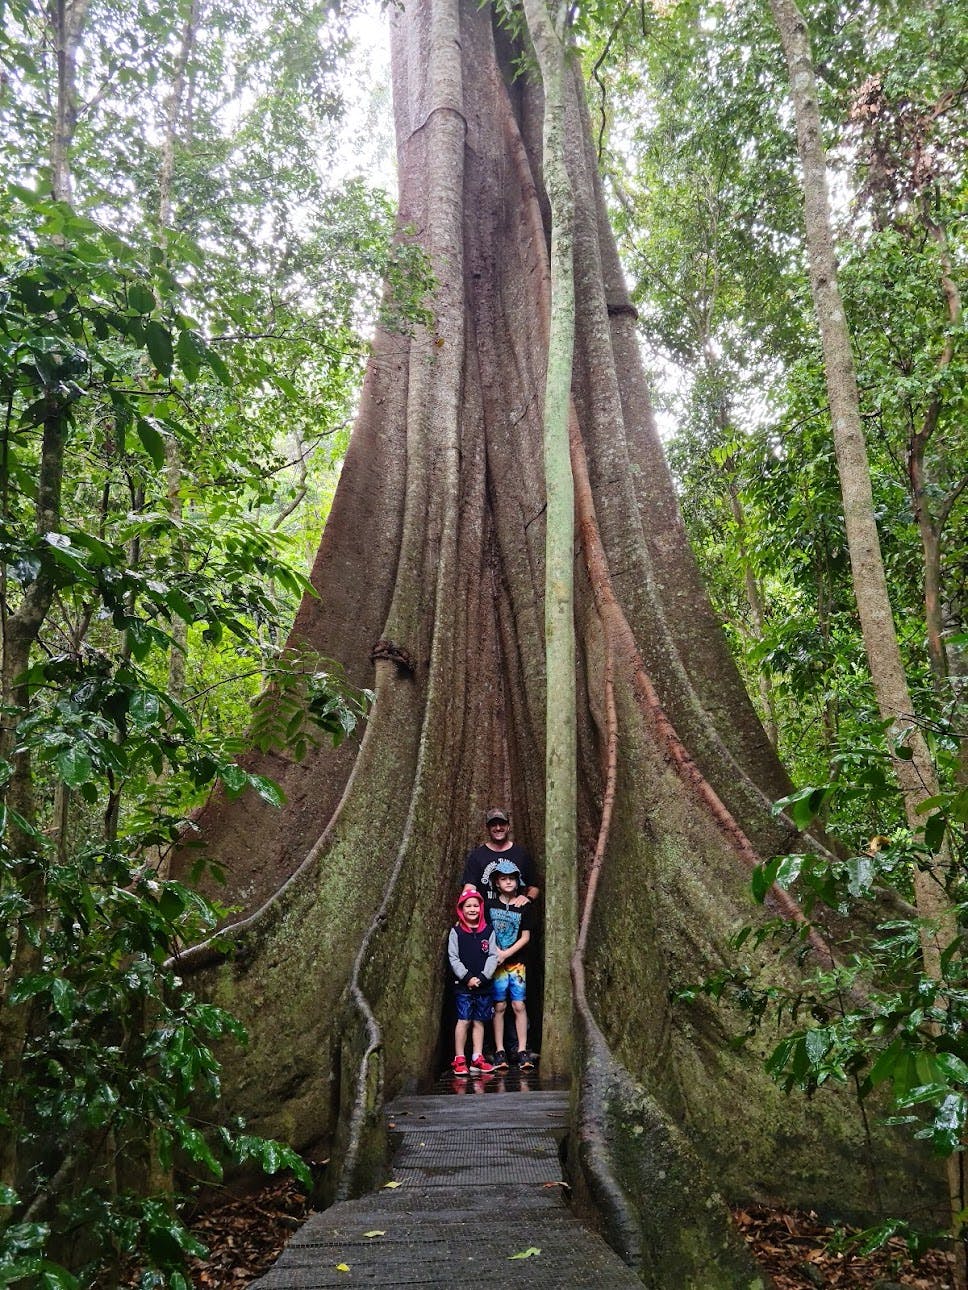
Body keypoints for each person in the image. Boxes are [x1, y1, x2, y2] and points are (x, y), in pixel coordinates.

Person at [485, 858, 536, 1070]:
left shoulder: (523, 907)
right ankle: (499, 1051)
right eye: (503, 879)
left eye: (511, 879)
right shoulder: (490, 905)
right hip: (495, 964)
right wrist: (496, 953)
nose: (508, 882)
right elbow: (485, 932)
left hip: (517, 964)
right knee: (499, 1006)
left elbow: (525, 937)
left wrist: (506, 953)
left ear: (518, 881)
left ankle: (522, 1050)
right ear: (496, 883)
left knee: (519, 1005)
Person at [448, 889, 497, 1076]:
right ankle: (459, 1058)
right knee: (464, 1020)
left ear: (481, 907)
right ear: (461, 909)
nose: (472, 909)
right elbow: (453, 957)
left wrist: (484, 977)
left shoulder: (488, 930)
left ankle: (477, 1057)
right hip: (463, 985)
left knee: (479, 1021)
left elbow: (493, 955)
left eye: (476, 905)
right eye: (468, 906)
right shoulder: (457, 931)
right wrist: (467, 977)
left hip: (484, 984)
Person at [462, 807, 539, 906]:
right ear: (488, 828)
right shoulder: (477, 856)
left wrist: (528, 898)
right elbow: (469, 888)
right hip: (486, 918)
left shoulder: (521, 854)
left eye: (502, 824)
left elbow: (534, 887)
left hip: (515, 917)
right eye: (493, 825)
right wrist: (464, 914)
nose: (498, 828)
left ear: (508, 826)